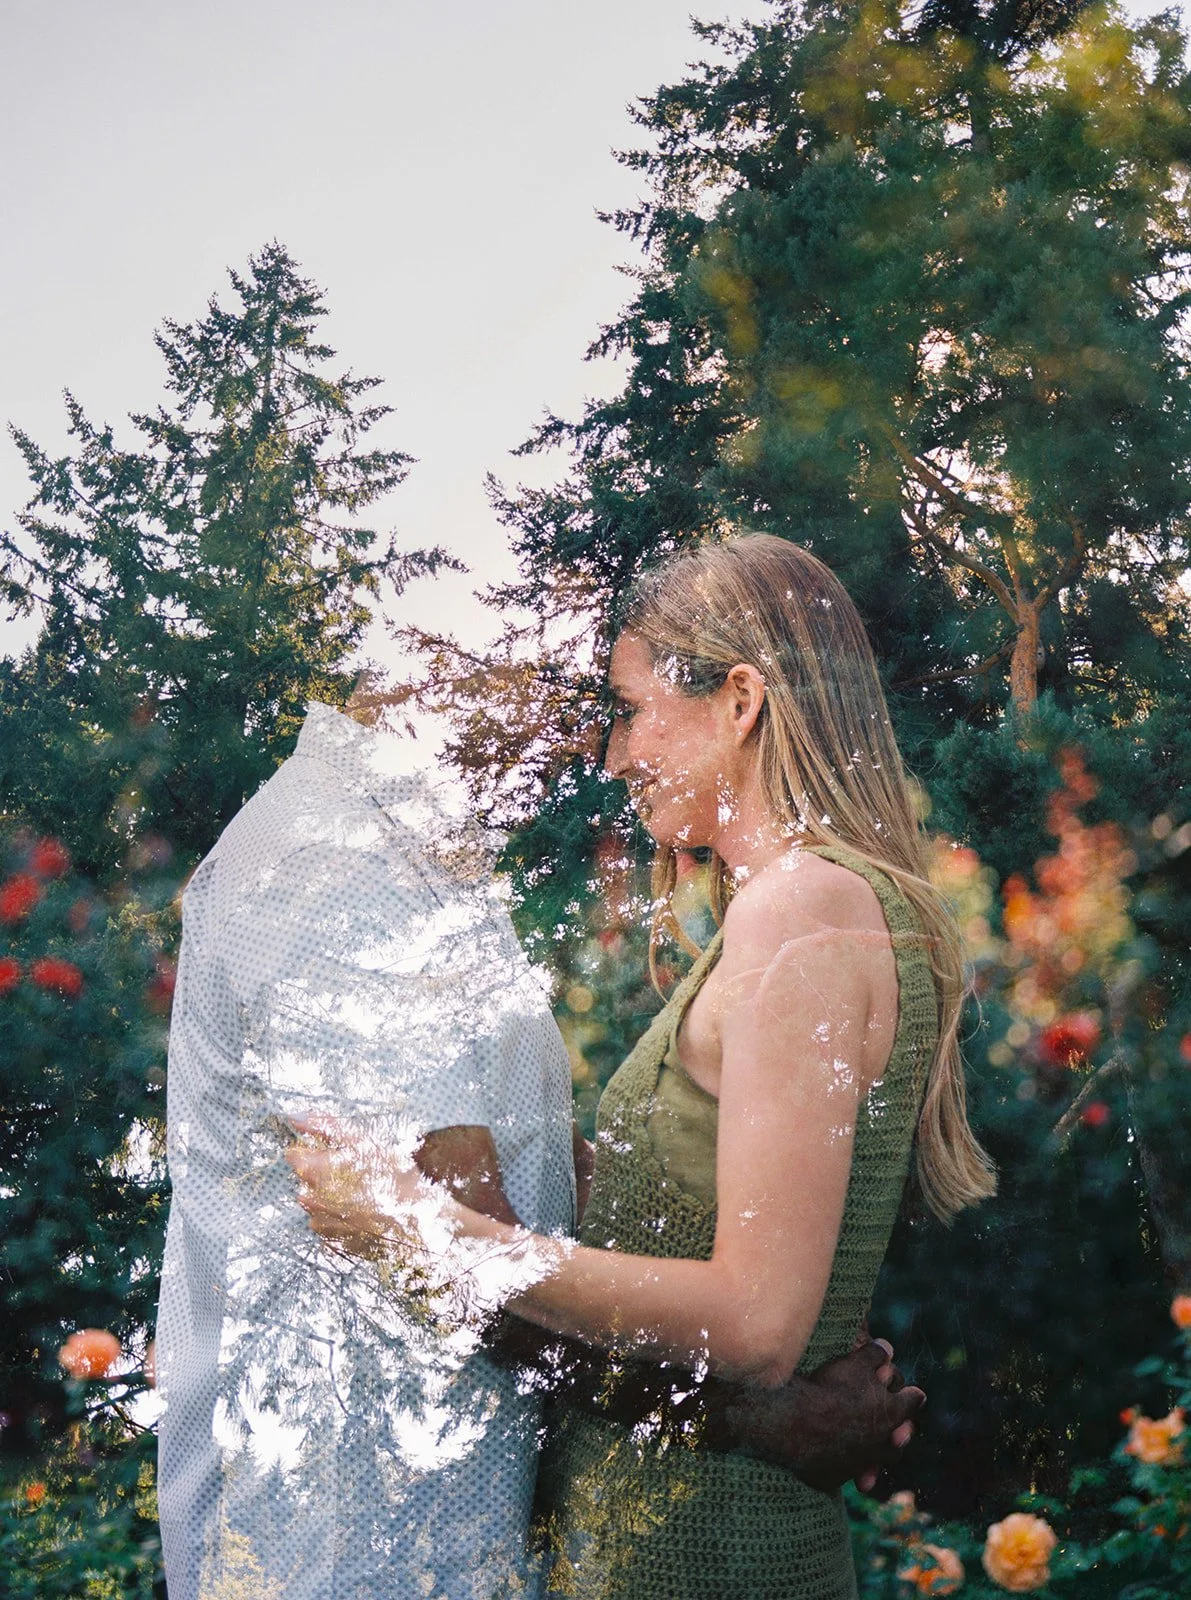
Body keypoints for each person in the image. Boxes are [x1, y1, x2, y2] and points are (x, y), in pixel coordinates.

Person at [290, 533, 997, 1599]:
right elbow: (700, 1211)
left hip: (703, 1556)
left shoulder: (802, 914)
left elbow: (757, 1322)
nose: (617, 756)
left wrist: (424, 1233)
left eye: (631, 708)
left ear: (741, 700)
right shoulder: (812, 913)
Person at [157, 693, 922, 1600]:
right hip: (348, 1551)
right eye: (608, 705)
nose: (605, 751)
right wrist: (773, 1420)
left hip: (432, 1533)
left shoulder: (418, 859)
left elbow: (510, 1183)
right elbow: (459, 1281)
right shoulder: (341, 870)